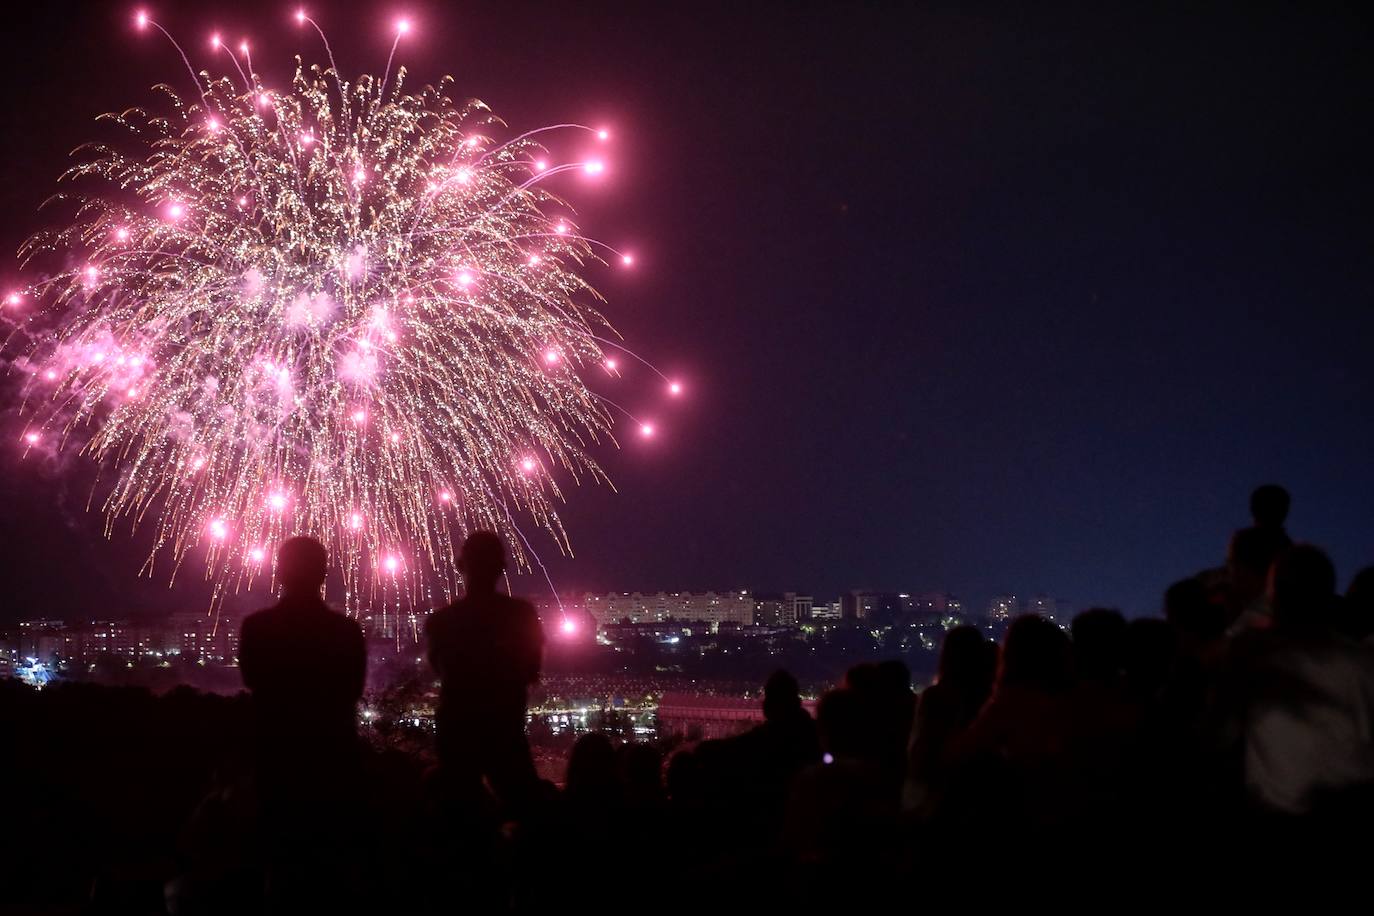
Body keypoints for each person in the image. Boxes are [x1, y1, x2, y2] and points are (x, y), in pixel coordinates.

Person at [238, 536, 367, 912]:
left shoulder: (257, 627)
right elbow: (353, 690)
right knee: (332, 869)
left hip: (277, 761)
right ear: (324, 575)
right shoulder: (346, 631)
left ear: (279, 573)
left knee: (280, 868)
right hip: (333, 763)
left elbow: (251, 680)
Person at [426, 531, 544, 813]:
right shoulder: (521, 616)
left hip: (457, 734)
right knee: (527, 812)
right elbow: (531, 671)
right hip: (505, 731)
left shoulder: (442, 622)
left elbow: (438, 669)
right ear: (501, 567)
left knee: (457, 819)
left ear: (461, 565)